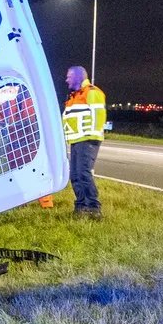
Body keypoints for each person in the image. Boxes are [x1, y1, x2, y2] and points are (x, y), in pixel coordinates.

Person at [61, 65, 106, 217]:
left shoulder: (92, 93)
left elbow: (99, 115)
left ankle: (93, 207)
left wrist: (91, 136)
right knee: (75, 174)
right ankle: (81, 206)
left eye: (69, 76)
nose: (66, 79)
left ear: (78, 77)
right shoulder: (74, 96)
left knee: (83, 173)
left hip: (87, 140)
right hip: (76, 140)